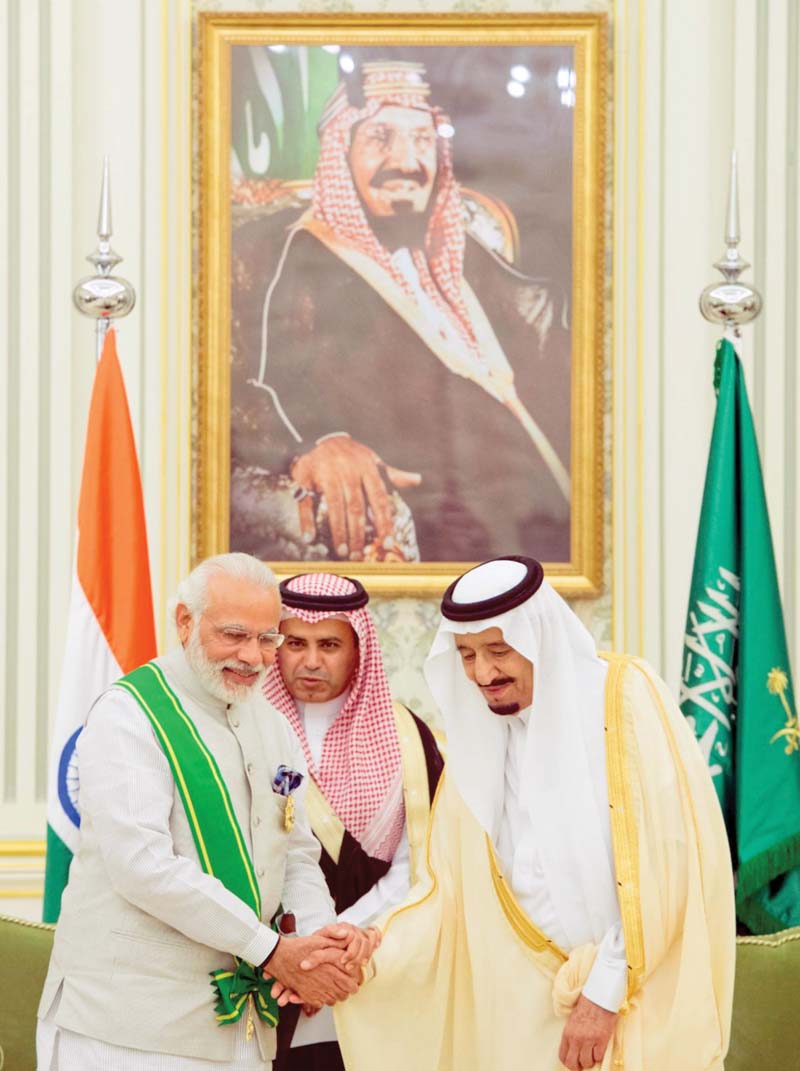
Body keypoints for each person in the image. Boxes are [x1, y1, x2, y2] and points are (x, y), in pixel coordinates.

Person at [334, 555, 736, 1071]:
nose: (483, 673)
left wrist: (605, 993)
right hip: (520, 1014)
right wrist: (368, 945)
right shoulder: (477, 743)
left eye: (499, 651)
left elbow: (669, 862)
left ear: (539, 639)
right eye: (467, 655)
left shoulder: (625, 699)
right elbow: (445, 891)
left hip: (629, 1001)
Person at [36, 553, 379, 1071]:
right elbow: (142, 865)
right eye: (234, 635)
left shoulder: (273, 726)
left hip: (238, 1027)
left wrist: (316, 945)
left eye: (268, 639)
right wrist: (273, 951)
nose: (253, 656)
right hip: (127, 1030)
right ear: (185, 622)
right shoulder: (129, 714)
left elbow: (297, 857)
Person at [230, 60, 571, 565]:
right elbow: (263, 377)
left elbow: (545, 326)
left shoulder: (457, 249)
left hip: (542, 512)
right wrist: (317, 442)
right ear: (340, 158)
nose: (406, 162)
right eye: (381, 138)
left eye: (421, 140)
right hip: (445, 525)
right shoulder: (309, 258)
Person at [263, 572, 444, 1071]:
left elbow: (421, 866)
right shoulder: (246, 726)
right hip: (262, 964)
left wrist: (336, 942)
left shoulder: (407, 738)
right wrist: (293, 951)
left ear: (358, 649)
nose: (311, 660)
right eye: (295, 642)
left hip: (368, 962)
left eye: (329, 644)